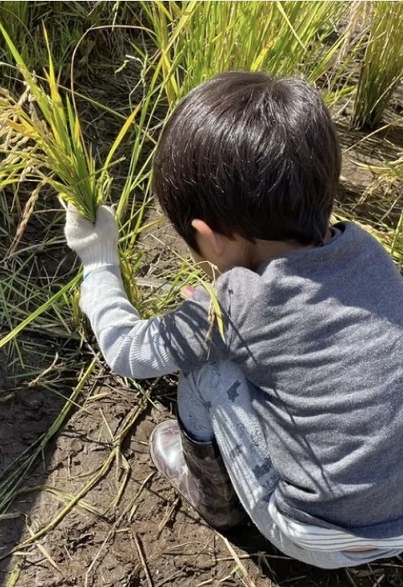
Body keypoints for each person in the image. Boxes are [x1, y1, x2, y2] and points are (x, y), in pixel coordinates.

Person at [63, 71, 403, 569]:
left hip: (319, 534)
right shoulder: (366, 250)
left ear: (210, 236)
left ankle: (214, 497)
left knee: (210, 372)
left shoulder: (236, 304)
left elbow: (125, 351)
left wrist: (98, 264)